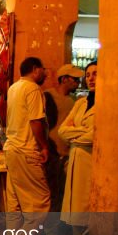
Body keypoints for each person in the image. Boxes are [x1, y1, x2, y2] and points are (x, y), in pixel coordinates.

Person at [4, 57, 51, 235]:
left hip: (12, 148)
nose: (46, 73)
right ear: (35, 70)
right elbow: (35, 121)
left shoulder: (13, 88)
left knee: (15, 199)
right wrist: (44, 146)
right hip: (26, 149)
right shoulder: (33, 89)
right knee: (40, 200)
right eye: (43, 69)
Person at [59, 62, 97, 235]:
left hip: (90, 162)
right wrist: (83, 132)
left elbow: (96, 136)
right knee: (74, 212)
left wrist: (74, 133)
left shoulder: (108, 103)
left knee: (85, 211)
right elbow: (62, 131)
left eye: (95, 74)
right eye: (88, 75)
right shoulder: (81, 103)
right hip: (75, 158)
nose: (91, 78)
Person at [43, 64, 83, 212]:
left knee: (64, 195)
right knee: (53, 194)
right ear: (64, 79)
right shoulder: (48, 96)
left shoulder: (74, 101)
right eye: (75, 79)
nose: (78, 82)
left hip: (67, 155)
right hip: (53, 153)